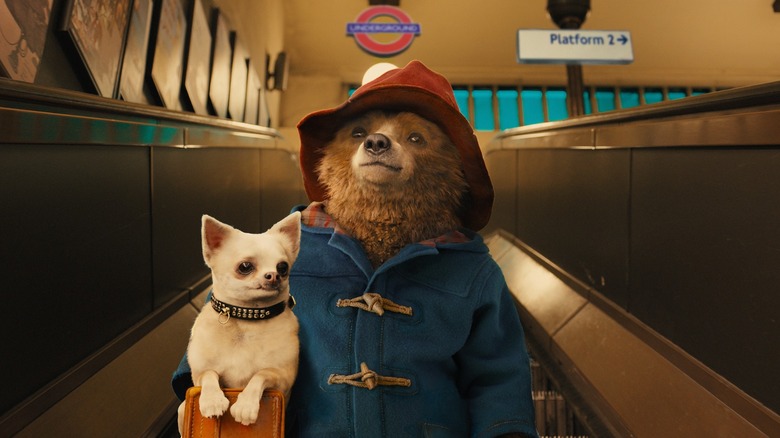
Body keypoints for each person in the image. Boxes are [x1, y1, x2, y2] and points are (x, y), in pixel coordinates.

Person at [173, 60, 538, 437]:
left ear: (451, 165)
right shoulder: (282, 252)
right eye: (360, 132)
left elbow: (498, 379)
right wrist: (197, 391)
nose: (377, 142)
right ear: (333, 156)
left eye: (415, 138)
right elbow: (219, 321)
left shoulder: (470, 269)